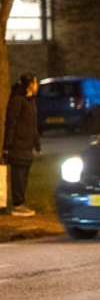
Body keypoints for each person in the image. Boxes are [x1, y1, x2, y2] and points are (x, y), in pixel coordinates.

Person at [3, 73, 40, 217]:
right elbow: (11, 124)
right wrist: (7, 147)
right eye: (35, 82)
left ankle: (21, 204)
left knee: (23, 176)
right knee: (18, 176)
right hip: (18, 145)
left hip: (27, 146)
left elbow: (33, 125)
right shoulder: (17, 100)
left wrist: (37, 145)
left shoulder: (30, 100)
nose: (37, 85)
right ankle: (17, 205)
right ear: (30, 84)